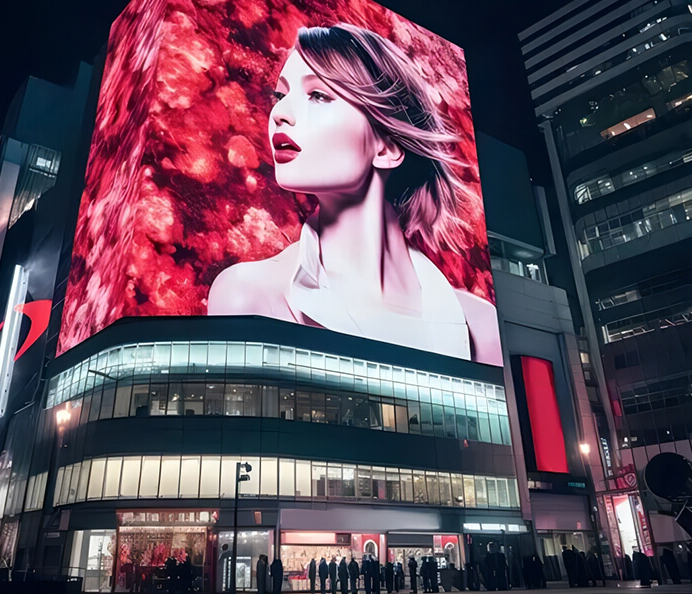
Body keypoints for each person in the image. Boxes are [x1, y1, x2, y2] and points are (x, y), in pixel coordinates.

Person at [208, 24, 501, 366]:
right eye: (280, 95)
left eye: (318, 95)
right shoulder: (250, 295)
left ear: (387, 147)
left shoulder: (481, 328)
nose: (280, 114)